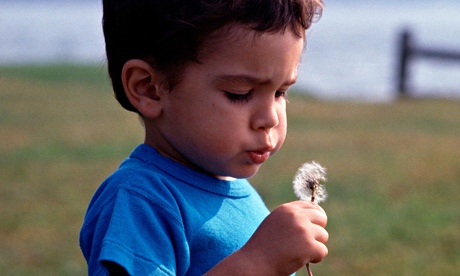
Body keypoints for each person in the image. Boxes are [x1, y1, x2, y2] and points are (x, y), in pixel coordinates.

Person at [79, 0, 328, 275]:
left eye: (280, 92)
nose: (271, 118)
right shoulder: (140, 200)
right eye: (239, 93)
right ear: (148, 88)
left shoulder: (233, 188)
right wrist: (258, 262)